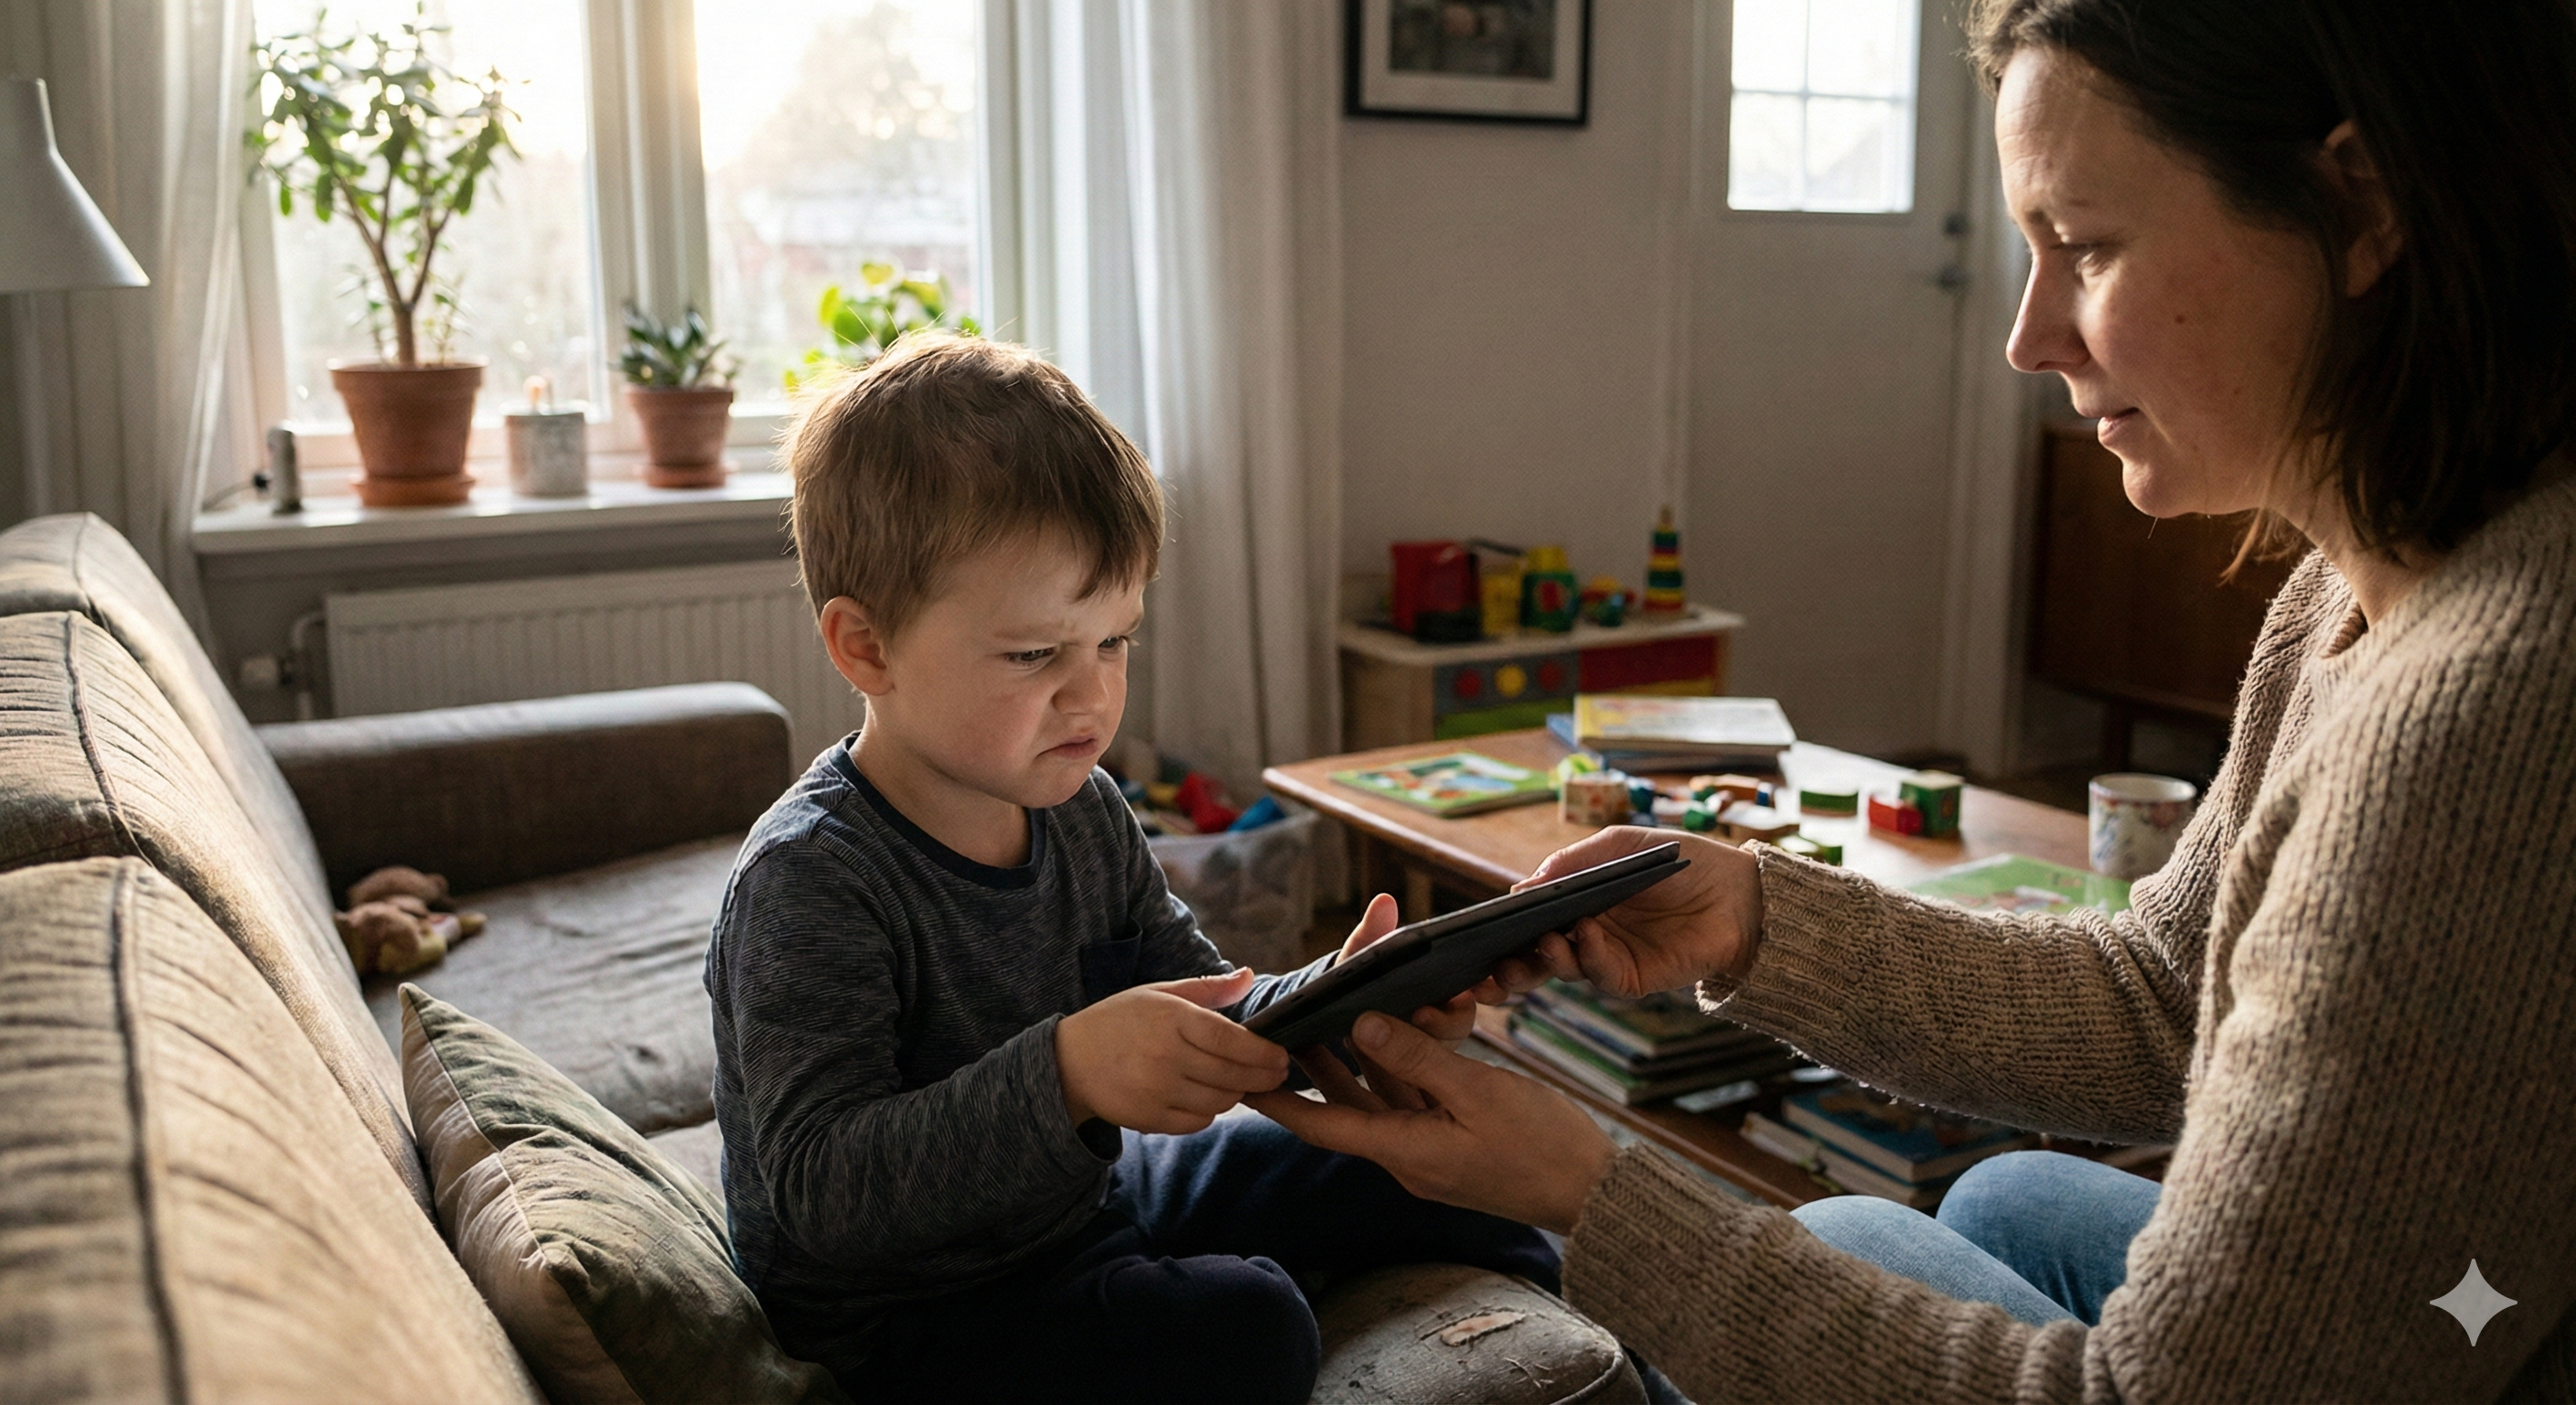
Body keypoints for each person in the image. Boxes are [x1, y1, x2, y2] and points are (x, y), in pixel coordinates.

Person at [1253, 2, 2576, 1400]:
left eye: (2087, 247)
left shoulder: (2482, 715)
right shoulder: (2349, 591)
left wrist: (1600, 1190)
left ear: (2357, 205)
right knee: (2009, 1201)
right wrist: (1757, 921)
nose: (2028, 334)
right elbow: (2168, 995)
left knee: (1846, 1224)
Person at [703, 333, 1552, 1402]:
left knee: (1444, 1176)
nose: (1091, 698)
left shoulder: (1083, 808)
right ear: (864, 648)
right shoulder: (812, 880)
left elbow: (1204, 1003)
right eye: (1034, 654)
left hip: (1087, 1208)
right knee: (1241, 1326)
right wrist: (1066, 1074)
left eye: (1113, 643)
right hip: (910, 1318)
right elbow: (824, 1194)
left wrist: (1345, 1000)